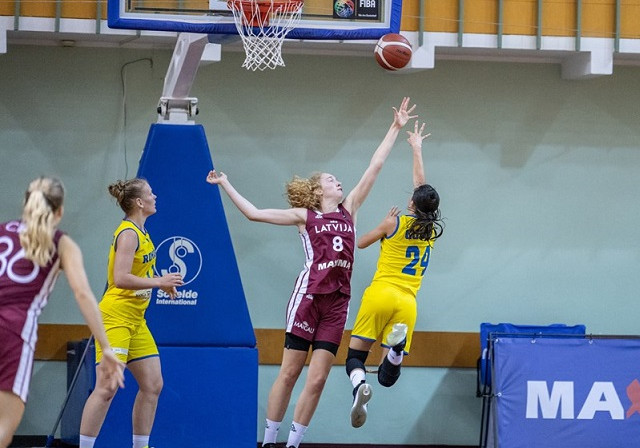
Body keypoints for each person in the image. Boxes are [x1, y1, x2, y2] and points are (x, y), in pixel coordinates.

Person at [206, 97, 417, 448]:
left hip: (337, 304)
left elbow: (375, 166)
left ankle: (293, 444)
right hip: (308, 298)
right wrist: (226, 184)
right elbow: (255, 214)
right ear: (319, 191)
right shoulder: (306, 216)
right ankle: (269, 441)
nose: (339, 182)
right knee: (289, 373)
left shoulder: (350, 210)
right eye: (332, 180)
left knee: (317, 380)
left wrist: (395, 128)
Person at [0, 177, 125, 448]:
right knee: (3, 430)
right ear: (59, 212)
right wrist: (106, 348)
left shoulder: (2, 232)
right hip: (14, 331)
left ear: (25, 204)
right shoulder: (61, 243)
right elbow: (83, 294)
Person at [345, 120, 444, 428]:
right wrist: (417, 148)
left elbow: (360, 243)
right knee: (388, 378)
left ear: (411, 203)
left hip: (380, 293)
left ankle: (359, 386)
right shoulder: (430, 231)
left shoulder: (395, 223)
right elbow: (422, 188)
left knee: (354, 359)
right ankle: (396, 350)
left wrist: (381, 223)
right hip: (408, 302)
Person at [78, 178, 184, 448]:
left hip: (136, 320)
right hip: (115, 317)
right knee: (107, 387)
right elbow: (121, 278)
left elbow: (139, 273)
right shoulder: (128, 233)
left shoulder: (143, 232)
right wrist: (159, 282)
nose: (155, 196)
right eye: (150, 193)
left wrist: (161, 281)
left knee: (153, 384)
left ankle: (140, 445)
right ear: (139, 202)